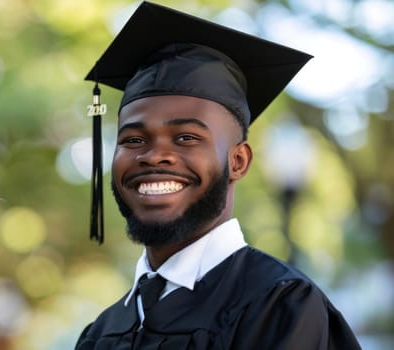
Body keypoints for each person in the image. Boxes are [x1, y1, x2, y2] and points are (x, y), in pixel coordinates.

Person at [75, 2, 361, 349]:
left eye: (186, 138)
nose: (155, 156)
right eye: (134, 140)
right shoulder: (101, 332)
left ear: (238, 161)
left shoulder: (280, 306)